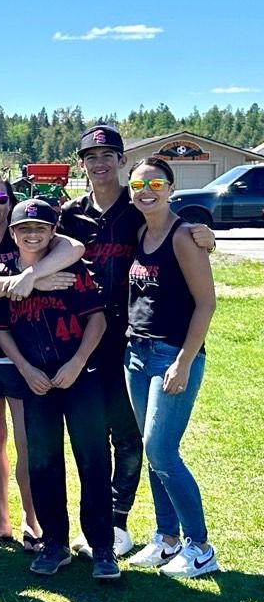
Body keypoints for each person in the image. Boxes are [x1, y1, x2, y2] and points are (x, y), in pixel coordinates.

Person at [59, 125, 215, 559]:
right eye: (91, 156)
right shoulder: (70, 215)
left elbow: (180, 233)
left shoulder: (139, 210)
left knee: (132, 438)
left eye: (109, 155)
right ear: (82, 164)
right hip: (84, 336)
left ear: (123, 162)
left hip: (133, 339)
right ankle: (125, 528)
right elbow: (38, 243)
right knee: (92, 432)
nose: (101, 163)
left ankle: (118, 521)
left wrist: (206, 235)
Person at [0, 172, 85, 550]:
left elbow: (73, 247)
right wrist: (31, 283)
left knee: (29, 444)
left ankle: (34, 523)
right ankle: (1, 521)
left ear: (10, 202)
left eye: (0, 199)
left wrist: (30, 274)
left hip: (27, 358)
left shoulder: (26, 235)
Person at [0, 200, 118, 580]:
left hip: (81, 374)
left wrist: (77, 362)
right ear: (12, 233)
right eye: (24, 228)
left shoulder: (71, 267)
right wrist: (25, 369)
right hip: (36, 380)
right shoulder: (5, 273)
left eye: (41, 228)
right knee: (43, 461)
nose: (32, 235)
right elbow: (0, 329)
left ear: (53, 232)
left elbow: (97, 320)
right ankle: (55, 543)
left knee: (93, 459)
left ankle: (102, 546)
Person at [123, 157, 219, 577]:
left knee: (162, 449)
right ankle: (165, 539)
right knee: (151, 450)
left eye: (155, 183)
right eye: (139, 183)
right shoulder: (142, 230)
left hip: (171, 357)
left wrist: (183, 361)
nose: (146, 190)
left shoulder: (183, 237)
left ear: (171, 187)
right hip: (137, 356)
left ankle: (200, 547)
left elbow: (206, 303)